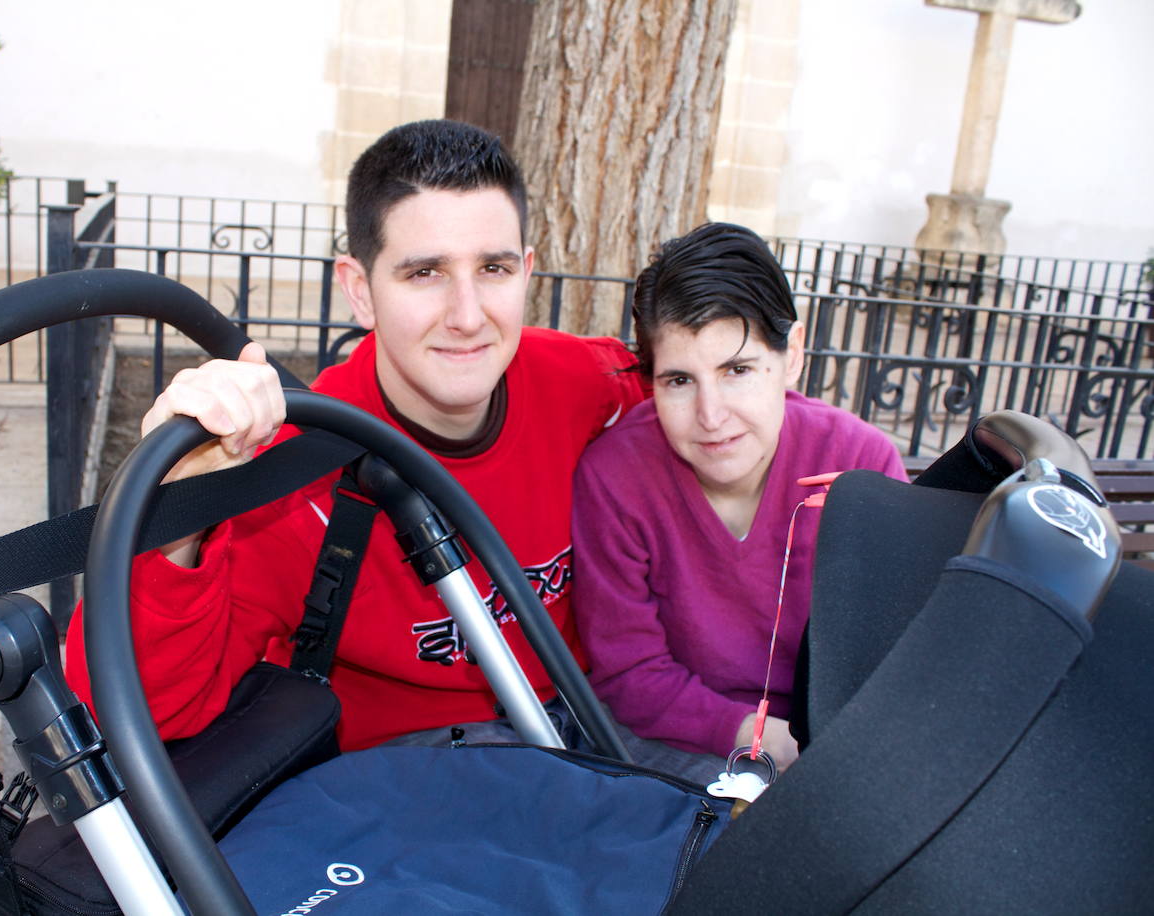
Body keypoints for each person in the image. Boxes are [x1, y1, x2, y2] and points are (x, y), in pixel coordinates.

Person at [62, 120, 649, 752]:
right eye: (425, 273)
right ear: (360, 290)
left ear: (527, 273)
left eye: (494, 268)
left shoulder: (590, 383)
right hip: (401, 785)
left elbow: (715, 415)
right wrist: (180, 511)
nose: (469, 315)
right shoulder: (295, 475)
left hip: (587, 734)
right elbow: (134, 714)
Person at [570, 222, 908, 771]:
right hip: (674, 741)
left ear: (792, 355)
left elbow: (895, 654)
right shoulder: (615, 476)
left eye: (737, 370)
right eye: (679, 381)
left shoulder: (860, 464)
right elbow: (631, 674)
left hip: (834, 746)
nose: (711, 416)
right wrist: (765, 741)